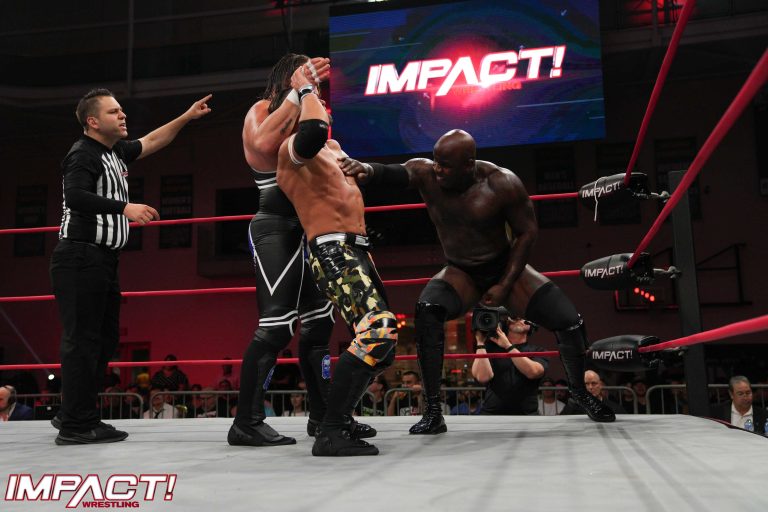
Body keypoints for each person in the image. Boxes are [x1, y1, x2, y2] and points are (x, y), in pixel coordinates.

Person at [341, 129, 615, 434]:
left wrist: (505, 284)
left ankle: (580, 393)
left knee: (570, 322)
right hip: (461, 271)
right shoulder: (427, 174)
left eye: (445, 164)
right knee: (428, 311)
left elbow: (527, 233)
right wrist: (366, 169)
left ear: (468, 164)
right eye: (436, 161)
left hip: (504, 267)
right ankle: (433, 411)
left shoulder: (502, 183)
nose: (437, 168)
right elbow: (394, 172)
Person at [228, 53, 375, 447]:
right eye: (308, 77)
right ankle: (246, 422)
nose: (316, 86)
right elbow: (263, 145)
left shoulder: (312, 113)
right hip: (276, 227)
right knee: (277, 325)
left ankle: (324, 416)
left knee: (320, 325)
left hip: (315, 229)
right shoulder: (261, 110)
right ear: (288, 78)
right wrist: (298, 91)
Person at [50, 88, 211, 445]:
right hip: (79, 257)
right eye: (114, 112)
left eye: (121, 110)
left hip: (102, 260)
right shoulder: (82, 154)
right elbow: (75, 196)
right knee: (83, 341)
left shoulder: (115, 152)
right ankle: (75, 424)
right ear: (93, 121)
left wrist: (187, 116)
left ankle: (77, 412)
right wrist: (125, 208)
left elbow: (152, 140)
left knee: (105, 341)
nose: (122, 115)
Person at [275, 64, 399, 456]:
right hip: (332, 251)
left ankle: (339, 418)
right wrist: (304, 89)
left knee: (386, 346)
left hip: (359, 250)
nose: (324, 104)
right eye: (316, 100)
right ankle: (330, 431)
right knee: (378, 330)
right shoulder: (293, 149)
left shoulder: (335, 150)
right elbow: (313, 130)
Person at [471, 317, 546, 415]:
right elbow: (483, 378)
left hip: (526, 415)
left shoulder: (538, 351)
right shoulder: (490, 348)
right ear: (506, 323)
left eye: (523, 317)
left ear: (531, 325)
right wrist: (480, 342)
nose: (519, 319)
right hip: (492, 414)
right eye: (515, 317)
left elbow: (533, 372)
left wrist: (508, 346)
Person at [561, 370, 626, 415]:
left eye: (594, 383)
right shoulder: (571, 408)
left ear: (600, 386)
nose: (590, 387)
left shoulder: (616, 409)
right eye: (586, 384)